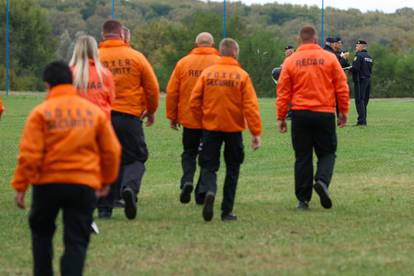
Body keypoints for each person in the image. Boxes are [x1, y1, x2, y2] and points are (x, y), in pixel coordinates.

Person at [11, 61, 121, 276]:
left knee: (42, 235)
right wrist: (105, 181)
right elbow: (111, 151)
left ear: (47, 84)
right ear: (73, 82)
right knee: (76, 240)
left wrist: (21, 185)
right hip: (82, 183)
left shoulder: (41, 113)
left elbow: (29, 154)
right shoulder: (92, 112)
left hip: (47, 183)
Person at [276, 26, 350, 210]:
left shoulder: (291, 61)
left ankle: (303, 200)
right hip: (324, 112)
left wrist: (281, 116)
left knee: (302, 156)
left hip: (300, 113)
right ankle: (322, 181)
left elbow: (283, 91)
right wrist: (343, 111)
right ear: (316, 40)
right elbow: (341, 86)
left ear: (299, 41)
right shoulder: (330, 58)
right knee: (327, 152)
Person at [190, 38, 262, 222]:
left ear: (220, 52)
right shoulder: (242, 75)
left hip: (210, 127)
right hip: (234, 129)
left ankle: (210, 191)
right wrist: (255, 133)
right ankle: (226, 211)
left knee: (208, 165)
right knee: (233, 169)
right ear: (235, 52)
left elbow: (194, 101)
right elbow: (250, 107)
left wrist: (202, 119)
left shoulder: (208, 73)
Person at [98, 19, 160, 220]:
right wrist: (150, 110)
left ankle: (105, 208)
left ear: (103, 34)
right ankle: (129, 188)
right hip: (128, 115)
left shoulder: (94, 58)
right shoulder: (136, 57)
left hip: (100, 116)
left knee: (106, 159)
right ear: (121, 35)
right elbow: (151, 87)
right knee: (135, 156)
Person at [166, 32, 220, 205]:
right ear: (212, 44)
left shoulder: (183, 63)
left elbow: (172, 91)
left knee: (189, 152)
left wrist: (172, 116)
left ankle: (187, 180)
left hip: (189, 118)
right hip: (212, 119)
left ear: (196, 44)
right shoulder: (220, 63)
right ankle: (202, 192)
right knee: (208, 156)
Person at [69, 35, 115, 118]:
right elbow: (111, 100)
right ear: (95, 51)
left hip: (75, 122)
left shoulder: (68, 73)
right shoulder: (105, 74)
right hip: (99, 122)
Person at [349, 40, 373, 126]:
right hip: (368, 80)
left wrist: (349, 69)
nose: (356, 48)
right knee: (364, 101)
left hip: (360, 80)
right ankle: (364, 121)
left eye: (357, 46)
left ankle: (361, 121)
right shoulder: (369, 57)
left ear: (362, 46)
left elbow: (355, 68)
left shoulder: (358, 56)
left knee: (359, 101)